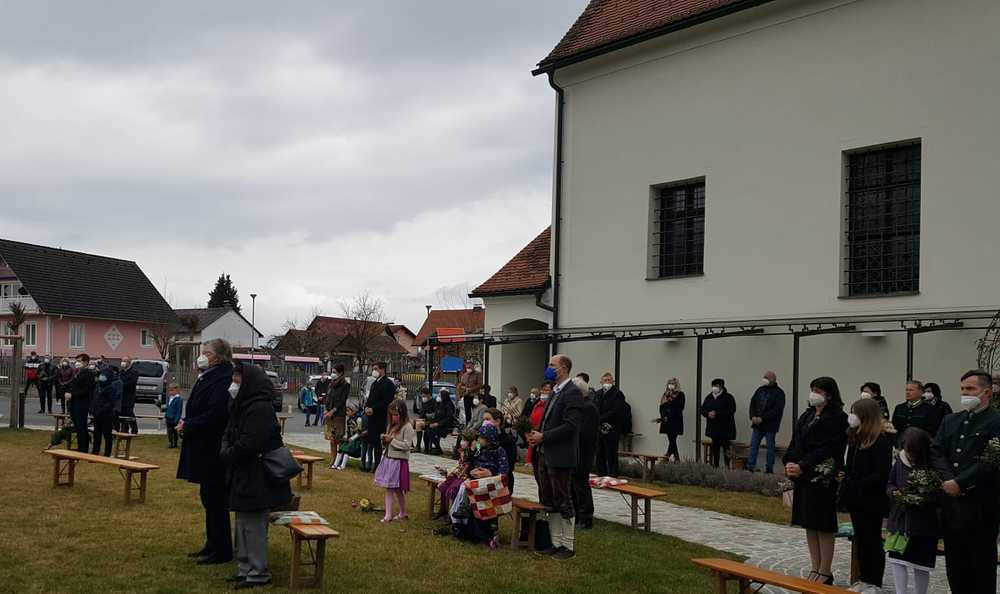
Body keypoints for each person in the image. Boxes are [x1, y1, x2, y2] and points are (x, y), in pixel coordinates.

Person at [219, 363, 293, 589]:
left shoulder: (260, 408)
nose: (233, 385)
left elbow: (250, 443)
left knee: (254, 527)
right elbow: (229, 432)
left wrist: (227, 454)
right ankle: (245, 569)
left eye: (237, 380)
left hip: (258, 476)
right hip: (244, 473)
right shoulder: (241, 405)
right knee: (242, 524)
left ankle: (258, 572)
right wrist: (226, 449)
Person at [930, 369, 1000, 594]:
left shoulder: (995, 421)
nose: (964, 393)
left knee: (980, 566)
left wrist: (961, 482)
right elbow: (937, 452)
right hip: (952, 505)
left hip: (980, 504)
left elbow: (991, 460)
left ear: (987, 392)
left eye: (970, 388)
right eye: (962, 388)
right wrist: (948, 479)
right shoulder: (951, 420)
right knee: (956, 565)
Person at [783, 376, 849, 585]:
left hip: (822, 476)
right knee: (809, 522)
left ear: (829, 395)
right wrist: (790, 461)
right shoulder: (807, 415)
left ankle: (825, 570)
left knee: (822, 523)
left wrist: (803, 465)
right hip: (802, 476)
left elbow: (828, 448)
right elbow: (795, 441)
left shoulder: (838, 418)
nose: (813, 394)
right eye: (812, 389)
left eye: (818, 391)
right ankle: (815, 566)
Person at [176, 339, 234, 565]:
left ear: (218, 356)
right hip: (203, 444)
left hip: (212, 447)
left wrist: (190, 424)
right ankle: (212, 544)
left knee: (216, 499)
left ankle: (221, 550)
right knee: (208, 498)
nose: (202, 356)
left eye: (206, 353)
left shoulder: (223, 378)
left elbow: (216, 413)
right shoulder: (209, 375)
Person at [528, 354, 584, 561]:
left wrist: (545, 436)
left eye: (552, 365)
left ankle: (568, 545)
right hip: (545, 453)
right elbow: (547, 421)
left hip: (560, 455)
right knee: (549, 499)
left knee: (563, 499)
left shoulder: (572, 393)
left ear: (564, 368)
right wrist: (536, 434)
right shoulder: (554, 392)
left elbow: (571, 425)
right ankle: (555, 542)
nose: (549, 368)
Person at [839, 398, 893, 593]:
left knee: (872, 540)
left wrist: (857, 483)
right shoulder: (856, 438)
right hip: (856, 498)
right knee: (860, 539)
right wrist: (844, 475)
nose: (851, 416)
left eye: (855, 412)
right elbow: (851, 464)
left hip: (872, 499)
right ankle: (863, 577)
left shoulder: (881, 441)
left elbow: (881, 473)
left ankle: (874, 581)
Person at [886, 427, 938, 594]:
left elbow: (938, 491)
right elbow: (890, 483)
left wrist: (922, 497)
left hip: (924, 525)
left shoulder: (932, 463)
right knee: (897, 560)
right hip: (900, 521)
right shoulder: (899, 461)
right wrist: (894, 492)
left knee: (921, 565)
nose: (910, 455)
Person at [449, 424, 510, 548]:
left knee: (472, 488)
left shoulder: (499, 451)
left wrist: (490, 473)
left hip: (491, 482)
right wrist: (471, 465)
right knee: (465, 486)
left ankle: (483, 530)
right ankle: (461, 517)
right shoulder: (478, 447)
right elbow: (471, 461)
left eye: (481, 438)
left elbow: (504, 471)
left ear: (489, 439)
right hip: (476, 478)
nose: (478, 440)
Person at [374, 399, 415, 523]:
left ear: (402, 414)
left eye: (396, 415)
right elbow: (388, 444)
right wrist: (384, 440)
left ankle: (391, 515)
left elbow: (407, 446)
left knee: (394, 488)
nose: (393, 417)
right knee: (392, 488)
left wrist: (392, 440)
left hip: (398, 462)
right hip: (388, 459)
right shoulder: (390, 426)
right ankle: (400, 513)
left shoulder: (407, 427)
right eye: (391, 415)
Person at [571, 377, 599, 530]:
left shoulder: (588, 408)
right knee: (573, 485)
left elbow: (585, 432)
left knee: (581, 485)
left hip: (583, 452)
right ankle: (576, 515)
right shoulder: (579, 407)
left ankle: (586, 517)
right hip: (574, 451)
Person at [747, 371, 785, 474]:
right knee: (753, 445)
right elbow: (753, 403)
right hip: (757, 424)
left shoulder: (779, 393)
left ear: (773, 379)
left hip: (770, 425)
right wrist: (752, 416)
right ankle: (750, 467)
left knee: (770, 447)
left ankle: (769, 468)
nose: (764, 379)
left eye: (767, 377)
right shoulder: (760, 390)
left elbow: (777, 410)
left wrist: (762, 418)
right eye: (764, 377)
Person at [364, 362, 395, 471]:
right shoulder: (374, 383)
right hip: (372, 417)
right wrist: (367, 407)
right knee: (373, 442)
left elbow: (387, 401)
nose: (374, 371)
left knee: (379, 443)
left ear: (382, 369)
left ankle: (379, 466)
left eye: (376, 369)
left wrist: (374, 408)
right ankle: (374, 464)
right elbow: (370, 398)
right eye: (373, 369)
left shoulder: (388, 384)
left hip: (381, 417)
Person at [595, 372, 626, 477]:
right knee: (599, 453)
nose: (607, 382)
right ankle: (601, 474)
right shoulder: (598, 394)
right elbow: (594, 407)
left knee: (611, 453)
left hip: (611, 428)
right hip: (599, 428)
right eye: (605, 380)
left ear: (613, 382)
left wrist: (602, 418)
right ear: (601, 382)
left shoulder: (618, 394)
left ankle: (612, 475)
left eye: (609, 380)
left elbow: (617, 410)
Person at [701, 378, 736, 468]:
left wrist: (717, 413)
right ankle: (715, 466)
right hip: (713, 428)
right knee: (715, 447)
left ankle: (727, 466)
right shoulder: (709, 397)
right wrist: (708, 413)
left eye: (716, 386)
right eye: (713, 386)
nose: (714, 388)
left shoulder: (728, 397)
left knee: (726, 447)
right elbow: (702, 409)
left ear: (721, 387)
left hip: (725, 428)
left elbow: (731, 410)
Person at [65, 354, 96, 453]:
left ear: (86, 362)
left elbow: (86, 390)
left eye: (79, 361)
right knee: (77, 427)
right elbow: (73, 385)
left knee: (81, 427)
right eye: (76, 361)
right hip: (74, 403)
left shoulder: (89, 374)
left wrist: (72, 395)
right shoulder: (77, 372)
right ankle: (81, 447)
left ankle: (83, 449)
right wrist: (68, 392)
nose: (77, 363)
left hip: (82, 404)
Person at [484, 407, 518, 492]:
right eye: (484, 419)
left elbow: (510, 464)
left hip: (501, 482)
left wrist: (491, 472)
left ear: (498, 421)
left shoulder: (508, 441)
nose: (485, 422)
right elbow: (477, 453)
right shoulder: (481, 439)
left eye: (487, 419)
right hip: (483, 480)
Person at [323, 364, 350, 467]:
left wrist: (333, 411)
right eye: (332, 372)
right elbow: (328, 397)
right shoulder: (331, 384)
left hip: (338, 414)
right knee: (331, 438)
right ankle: (333, 458)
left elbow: (342, 400)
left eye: (334, 372)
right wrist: (326, 409)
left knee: (338, 438)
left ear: (341, 373)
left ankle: (339, 459)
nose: (332, 374)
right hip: (329, 414)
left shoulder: (345, 385)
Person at [90, 367, 121, 457]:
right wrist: (93, 409)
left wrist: (102, 409)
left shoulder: (111, 388)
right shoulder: (97, 386)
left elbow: (111, 402)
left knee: (107, 435)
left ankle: (107, 453)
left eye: (104, 375)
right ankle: (95, 452)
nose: (102, 377)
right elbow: (94, 399)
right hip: (97, 414)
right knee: (97, 434)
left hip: (107, 415)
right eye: (101, 375)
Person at [654, 378, 685, 461]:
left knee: (672, 440)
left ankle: (667, 456)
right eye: (669, 383)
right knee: (672, 440)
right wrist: (664, 415)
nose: (671, 385)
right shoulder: (665, 394)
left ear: (676, 385)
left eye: (673, 383)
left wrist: (669, 413)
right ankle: (676, 459)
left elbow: (680, 407)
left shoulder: (680, 395)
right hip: (666, 421)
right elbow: (661, 407)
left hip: (675, 421)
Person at [525, 385, 550, 467]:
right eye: (542, 390)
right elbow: (531, 419)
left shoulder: (550, 406)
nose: (543, 392)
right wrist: (527, 431)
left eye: (546, 390)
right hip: (533, 438)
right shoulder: (537, 405)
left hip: (544, 439)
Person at [427, 389, 455, 455]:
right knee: (427, 430)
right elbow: (438, 415)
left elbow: (448, 418)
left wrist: (438, 424)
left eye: (440, 396)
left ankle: (438, 449)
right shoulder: (441, 404)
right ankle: (431, 448)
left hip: (446, 426)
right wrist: (433, 422)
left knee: (431, 432)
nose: (439, 397)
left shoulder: (449, 405)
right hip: (439, 424)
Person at [118, 357, 139, 434]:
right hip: (121, 396)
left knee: (129, 412)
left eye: (125, 361)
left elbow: (131, 383)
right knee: (123, 413)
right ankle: (124, 429)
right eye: (122, 361)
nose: (123, 362)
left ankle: (134, 429)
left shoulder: (134, 372)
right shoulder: (120, 372)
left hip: (129, 396)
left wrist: (121, 384)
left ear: (129, 363)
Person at [412, 387, 436, 453]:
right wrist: (418, 418)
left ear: (428, 395)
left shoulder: (433, 402)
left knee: (418, 424)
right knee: (410, 423)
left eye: (424, 396)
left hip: (430, 420)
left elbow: (434, 414)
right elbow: (421, 413)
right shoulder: (424, 402)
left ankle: (418, 446)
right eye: (422, 396)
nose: (423, 398)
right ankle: (411, 444)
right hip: (423, 419)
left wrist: (426, 416)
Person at [164, 383, 183, 448]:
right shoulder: (169, 398)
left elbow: (179, 411)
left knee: (174, 432)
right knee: (169, 431)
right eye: (170, 390)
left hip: (174, 419)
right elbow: (167, 408)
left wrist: (176, 419)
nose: (171, 392)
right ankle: (170, 443)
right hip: (168, 418)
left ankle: (175, 444)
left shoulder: (179, 399)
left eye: (172, 390)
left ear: (176, 390)